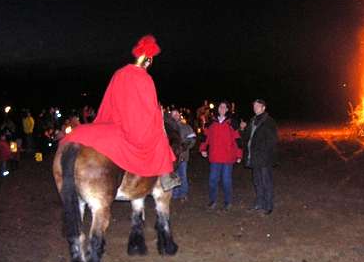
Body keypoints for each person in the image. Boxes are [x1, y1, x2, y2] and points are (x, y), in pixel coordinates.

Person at [63, 35, 181, 190]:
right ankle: (166, 177)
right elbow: (149, 108)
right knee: (160, 138)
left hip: (116, 120)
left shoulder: (119, 73)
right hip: (137, 127)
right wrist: (159, 113)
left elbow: (109, 100)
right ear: (149, 60)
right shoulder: (145, 79)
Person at [200, 101, 242, 210]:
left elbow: (237, 139)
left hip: (228, 157)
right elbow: (206, 137)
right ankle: (213, 200)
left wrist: (239, 155)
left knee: (226, 180)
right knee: (213, 180)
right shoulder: (211, 123)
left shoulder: (232, 123)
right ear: (218, 109)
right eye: (220, 107)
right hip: (215, 156)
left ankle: (228, 202)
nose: (222, 109)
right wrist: (203, 148)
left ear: (227, 109)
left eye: (224, 107)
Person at [240, 99, 278, 215]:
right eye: (254, 106)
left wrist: (264, 154)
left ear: (263, 108)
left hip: (264, 159)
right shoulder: (252, 120)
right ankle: (259, 203)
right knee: (257, 182)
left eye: (258, 106)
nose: (255, 108)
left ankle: (268, 206)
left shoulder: (269, 122)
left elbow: (272, 141)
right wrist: (243, 129)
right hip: (254, 158)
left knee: (266, 182)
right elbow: (247, 138)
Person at [169, 106, 197, 201]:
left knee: (183, 175)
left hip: (183, 156)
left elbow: (193, 139)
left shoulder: (186, 127)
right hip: (172, 158)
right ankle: (175, 194)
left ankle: (183, 194)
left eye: (176, 114)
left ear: (179, 115)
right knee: (173, 176)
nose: (175, 116)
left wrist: (185, 146)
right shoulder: (168, 129)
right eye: (173, 114)